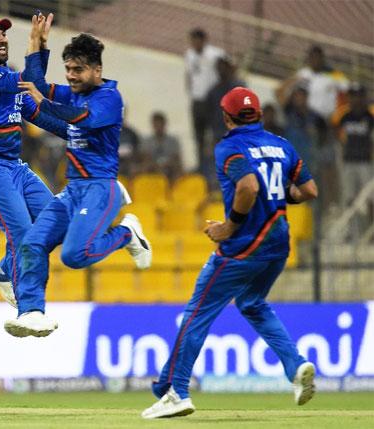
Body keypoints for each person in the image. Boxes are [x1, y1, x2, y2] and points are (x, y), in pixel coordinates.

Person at [141, 87, 318, 419]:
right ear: (260, 115)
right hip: (278, 246)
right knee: (252, 303)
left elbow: (248, 186)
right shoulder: (282, 145)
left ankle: (175, 391)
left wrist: (229, 227)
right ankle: (295, 365)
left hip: (243, 248)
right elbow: (309, 190)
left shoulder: (230, 147)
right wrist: (277, 195)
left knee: (196, 314)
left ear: (225, 117)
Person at [5, 33, 152, 337]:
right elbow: (38, 86)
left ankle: (126, 233)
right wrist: (38, 47)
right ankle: (33, 312)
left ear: (96, 70)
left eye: (78, 70)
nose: (71, 76)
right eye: (68, 69)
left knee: (73, 256)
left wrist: (43, 102)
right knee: (32, 243)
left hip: (100, 188)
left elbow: (80, 117)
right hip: (73, 190)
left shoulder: (109, 97)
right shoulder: (73, 93)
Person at [0, 13, 67, 307]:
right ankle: (29, 308)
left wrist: (77, 134)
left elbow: (37, 113)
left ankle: (4, 270)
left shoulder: (7, 79)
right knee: (23, 234)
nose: (3, 38)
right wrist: (39, 44)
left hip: (13, 167)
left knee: (57, 223)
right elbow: (31, 80)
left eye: (4, 33)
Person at [184, 28, 225, 175]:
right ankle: (202, 167)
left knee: (215, 135)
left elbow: (228, 69)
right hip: (197, 101)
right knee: (198, 137)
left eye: (197, 40)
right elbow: (188, 75)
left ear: (203, 40)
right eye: (192, 40)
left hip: (212, 101)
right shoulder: (189, 54)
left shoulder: (215, 54)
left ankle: (217, 167)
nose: (194, 43)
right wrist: (191, 93)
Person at [140, 111, 183, 182]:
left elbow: (176, 157)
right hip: (153, 167)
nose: (158, 127)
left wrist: (166, 164)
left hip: (169, 167)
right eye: (156, 125)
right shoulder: (147, 141)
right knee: (145, 167)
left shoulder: (173, 141)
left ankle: (175, 189)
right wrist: (157, 166)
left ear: (164, 124)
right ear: (153, 125)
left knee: (178, 168)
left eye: (160, 124)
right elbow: (145, 157)